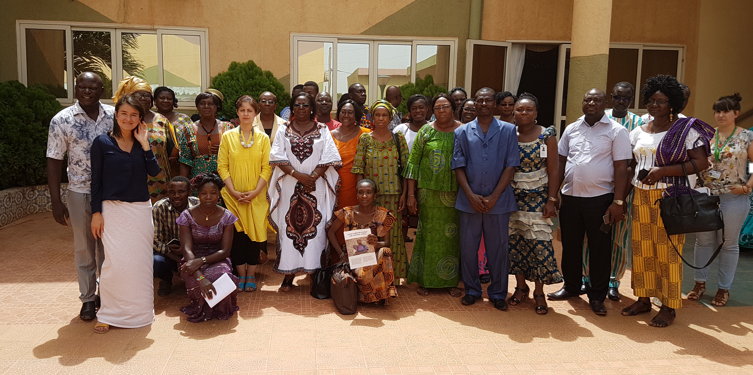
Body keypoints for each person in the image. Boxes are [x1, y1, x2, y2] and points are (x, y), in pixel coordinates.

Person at [620, 75, 713, 327]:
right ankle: (643, 298)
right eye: (650, 100)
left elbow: (701, 162)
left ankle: (669, 306)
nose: (654, 105)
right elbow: (632, 165)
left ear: (672, 103)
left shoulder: (685, 130)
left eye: (660, 101)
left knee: (667, 252)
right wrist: (620, 199)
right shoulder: (639, 130)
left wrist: (663, 171)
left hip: (670, 197)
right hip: (641, 197)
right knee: (641, 250)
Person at [548, 88, 631, 316]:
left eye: (596, 100)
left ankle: (597, 296)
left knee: (599, 249)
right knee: (571, 246)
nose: (591, 103)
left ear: (605, 104)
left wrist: (618, 202)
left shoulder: (617, 131)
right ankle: (571, 287)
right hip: (571, 198)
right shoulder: (572, 129)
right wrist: (553, 196)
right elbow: (560, 164)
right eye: (587, 99)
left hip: (601, 199)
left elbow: (622, 168)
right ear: (582, 103)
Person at [90, 94, 161, 333]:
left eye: (134, 115)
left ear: (140, 119)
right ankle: (108, 313)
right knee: (114, 264)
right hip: (112, 210)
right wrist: (96, 213)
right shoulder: (102, 143)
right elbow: (96, 181)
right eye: (124, 114)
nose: (128, 118)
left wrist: (145, 143)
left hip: (140, 211)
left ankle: (140, 312)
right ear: (116, 116)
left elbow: (154, 171)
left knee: (139, 264)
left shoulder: (142, 143)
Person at [46, 72, 113, 322]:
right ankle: (87, 299)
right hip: (80, 192)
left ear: (101, 90)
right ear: (75, 89)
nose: (86, 91)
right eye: (81, 87)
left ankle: (106, 295)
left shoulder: (115, 116)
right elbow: (54, 160)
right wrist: (56, 200)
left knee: (108, 249)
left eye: (92, 87)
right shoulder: (62, 119)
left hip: (111, 195)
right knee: (84, 249)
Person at [452, 87, 520, 311]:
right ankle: (472, 290)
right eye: (479, 100)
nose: (483, 104)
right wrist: (470, 195)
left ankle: (498, 293)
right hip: (469, 200)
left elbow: (511, 165)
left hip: (498, 201)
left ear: (495, 104)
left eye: (488, 100)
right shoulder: (462, 131)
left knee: (498, 249)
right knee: (469, 248)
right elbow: (458, 165)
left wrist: (494, 196)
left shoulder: (509, 130)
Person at [268, 92, 342, 292]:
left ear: (312, 109)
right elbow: (276, 157)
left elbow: (330, 156)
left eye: (305, 105)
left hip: (316, 188)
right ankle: (288, 274)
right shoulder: (284, 130)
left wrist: (313, 177)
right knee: (288, 230)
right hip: (290, 187)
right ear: (292, 108)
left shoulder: (323, 129)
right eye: (297, 105)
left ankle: (313, 273)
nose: (301, 108)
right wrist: (299, 176)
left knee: (315, 230)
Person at [581, 82, 645, 301]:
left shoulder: (639, 123)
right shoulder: (599, 116)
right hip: (596, 188)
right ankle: (586, 277)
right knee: (591, 235)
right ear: (610, 98)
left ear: (631, 100)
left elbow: (633, 162)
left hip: (623, 190)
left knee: (618, 237)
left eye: (626, 99)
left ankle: (613, 281)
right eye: (617, 97)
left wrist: (622, 197)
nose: (621, 102)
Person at [690, 93, 752, 307]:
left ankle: (723, 289)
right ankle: (699, 283)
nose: (721, 115)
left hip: (733, 198)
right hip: (706, 197)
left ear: (736, 113)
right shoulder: (707, 136)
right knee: (704, 241)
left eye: (726, 110)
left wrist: (746, 187)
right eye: (718, 110)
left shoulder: (746, 137)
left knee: (728, 244)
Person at [506, 93, 563, 315]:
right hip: (514, 198)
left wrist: (552, 198)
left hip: (539, 199)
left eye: (529, 110)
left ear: (536, 113)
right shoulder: (509, 134)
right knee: (517, 243)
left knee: (539, 245)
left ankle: (539, 292)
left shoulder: (546, 135)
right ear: (514, 113)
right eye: (520, 110)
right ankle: (521, 288)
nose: (524, 113)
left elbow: (554, 169)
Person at [405, 93, 462, 297]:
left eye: (445, 106)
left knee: (452, 237)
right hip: (427, 193)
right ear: (432, 110)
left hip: (455, 193)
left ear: (453, 108)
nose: (441, 111)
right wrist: (411, 194)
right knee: (427, 234)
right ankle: (425, 280)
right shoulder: (426, 131)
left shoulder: (463, 130)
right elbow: (413, 163)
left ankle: (451, 281)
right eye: (437, 108)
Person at [218, 96, 273, 293]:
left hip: (256, 198)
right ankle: (240, 274)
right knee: (237, 238)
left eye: (250, 110)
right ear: (237, 113)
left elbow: (267, 168)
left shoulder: (263, 139)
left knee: (254, 239)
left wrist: (256, 191)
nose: (246, 114)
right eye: (242, 110)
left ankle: (251, 275)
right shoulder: (228, 136)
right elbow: (222, 166)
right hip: (233, 198)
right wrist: (233, 191)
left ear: (255, 113)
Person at [353, 100, 410, 281]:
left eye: (384, 115)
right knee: (371, 234)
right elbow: (358, 168)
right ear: (372, 117)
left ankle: (392, 276)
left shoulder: (398, 138)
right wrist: (362, 195)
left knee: (392, 234)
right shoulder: (365, 139)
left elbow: (407, 169)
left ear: (390, 117)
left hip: (393, 196)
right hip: (370, 198)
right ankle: (369, 276)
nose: (380, 118)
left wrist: (406, 194)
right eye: (377, 115)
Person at [177, 173, 240, 322]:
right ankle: (202, 309)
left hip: (217, 257)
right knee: (197, 282)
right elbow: (186, 249)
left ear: (219, 195)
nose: (208, 197)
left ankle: (221, 310)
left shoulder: (227, 217)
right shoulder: (186, 216)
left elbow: (225, 251)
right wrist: (199, 275)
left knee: (220, 277)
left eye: (213, 193)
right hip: (191, 259)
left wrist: (202, 260)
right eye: (204, 193)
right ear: (197, 194)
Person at [327, 179, 399, 304]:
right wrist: (341, 254)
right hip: (354, 260)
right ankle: (371, 294)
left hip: (373, 259)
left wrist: (377, 243)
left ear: (375, 195)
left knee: (385, 251)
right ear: (356, 195)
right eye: (361, 192)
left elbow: (387, 243)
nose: (364, 196)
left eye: (369, 192)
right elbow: (330, 232)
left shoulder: (382, 214)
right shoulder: (347, 213)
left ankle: (380, 294)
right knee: (364, 273)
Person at [112, 77, 171, 202]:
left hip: (159, 181)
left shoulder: (161, 120)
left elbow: (171, 151)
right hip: (130, 181)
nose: (143, 98)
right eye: (138, 94)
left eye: (147, 95)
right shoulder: (123, 120)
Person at [152, 176, 199, 296]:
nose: (176, 196)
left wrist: (187, 251)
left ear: (189, 192)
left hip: (194, 250)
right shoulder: (159, 208)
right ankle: (166, 280)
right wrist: (179, 259)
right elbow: (155, 240)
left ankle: (197, 278)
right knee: (155, 261)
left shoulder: (197, 205)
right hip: (169, 253)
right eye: (172, 192)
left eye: (181, 192)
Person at [178, 91, 235, 180]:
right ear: (197, 107)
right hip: (198, 181)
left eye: (211, 104)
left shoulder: (229, 128)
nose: (206, 106)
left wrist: (224, 150)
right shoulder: (188, 130)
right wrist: (183, 183)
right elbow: (185, 160)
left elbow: (238, 153)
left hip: (225, 180)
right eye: (202, 104)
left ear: (216, 107)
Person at [332, 99, 368, 211]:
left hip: (358, 185)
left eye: (350, 112)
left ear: (356, 115)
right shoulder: (329, 136)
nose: (346, 115)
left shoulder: (366, 134)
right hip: (334, 186)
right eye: (343, 112)